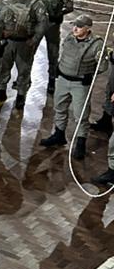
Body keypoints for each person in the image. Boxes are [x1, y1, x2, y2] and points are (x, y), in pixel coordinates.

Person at [40, 14, 102, 161]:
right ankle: (59, 134)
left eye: (79, 26)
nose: (75, 28)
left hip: (80, 84)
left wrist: (89, 74)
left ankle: (80, 142)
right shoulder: (69, 37)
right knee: (59, 108)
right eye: (74, 25)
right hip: (63, 79)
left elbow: (102, 66)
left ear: (87, 29)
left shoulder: (96, 44)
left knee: (81, 114)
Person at [0, 0, 47, 109]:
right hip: (9, 41)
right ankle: (1, 90)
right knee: (4, 67)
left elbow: (42, 24)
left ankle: (21, 94)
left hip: (24, 43)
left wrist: (34, 40)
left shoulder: (37, 4)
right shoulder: (12, 0)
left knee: (24, 70)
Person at [35, 0, 74, 94]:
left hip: (52, 25)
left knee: (52, 53)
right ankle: (24, 78)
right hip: (39, 23)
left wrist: (58, 14)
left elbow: (69, 7)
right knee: (29, 49)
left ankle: (52, 80)